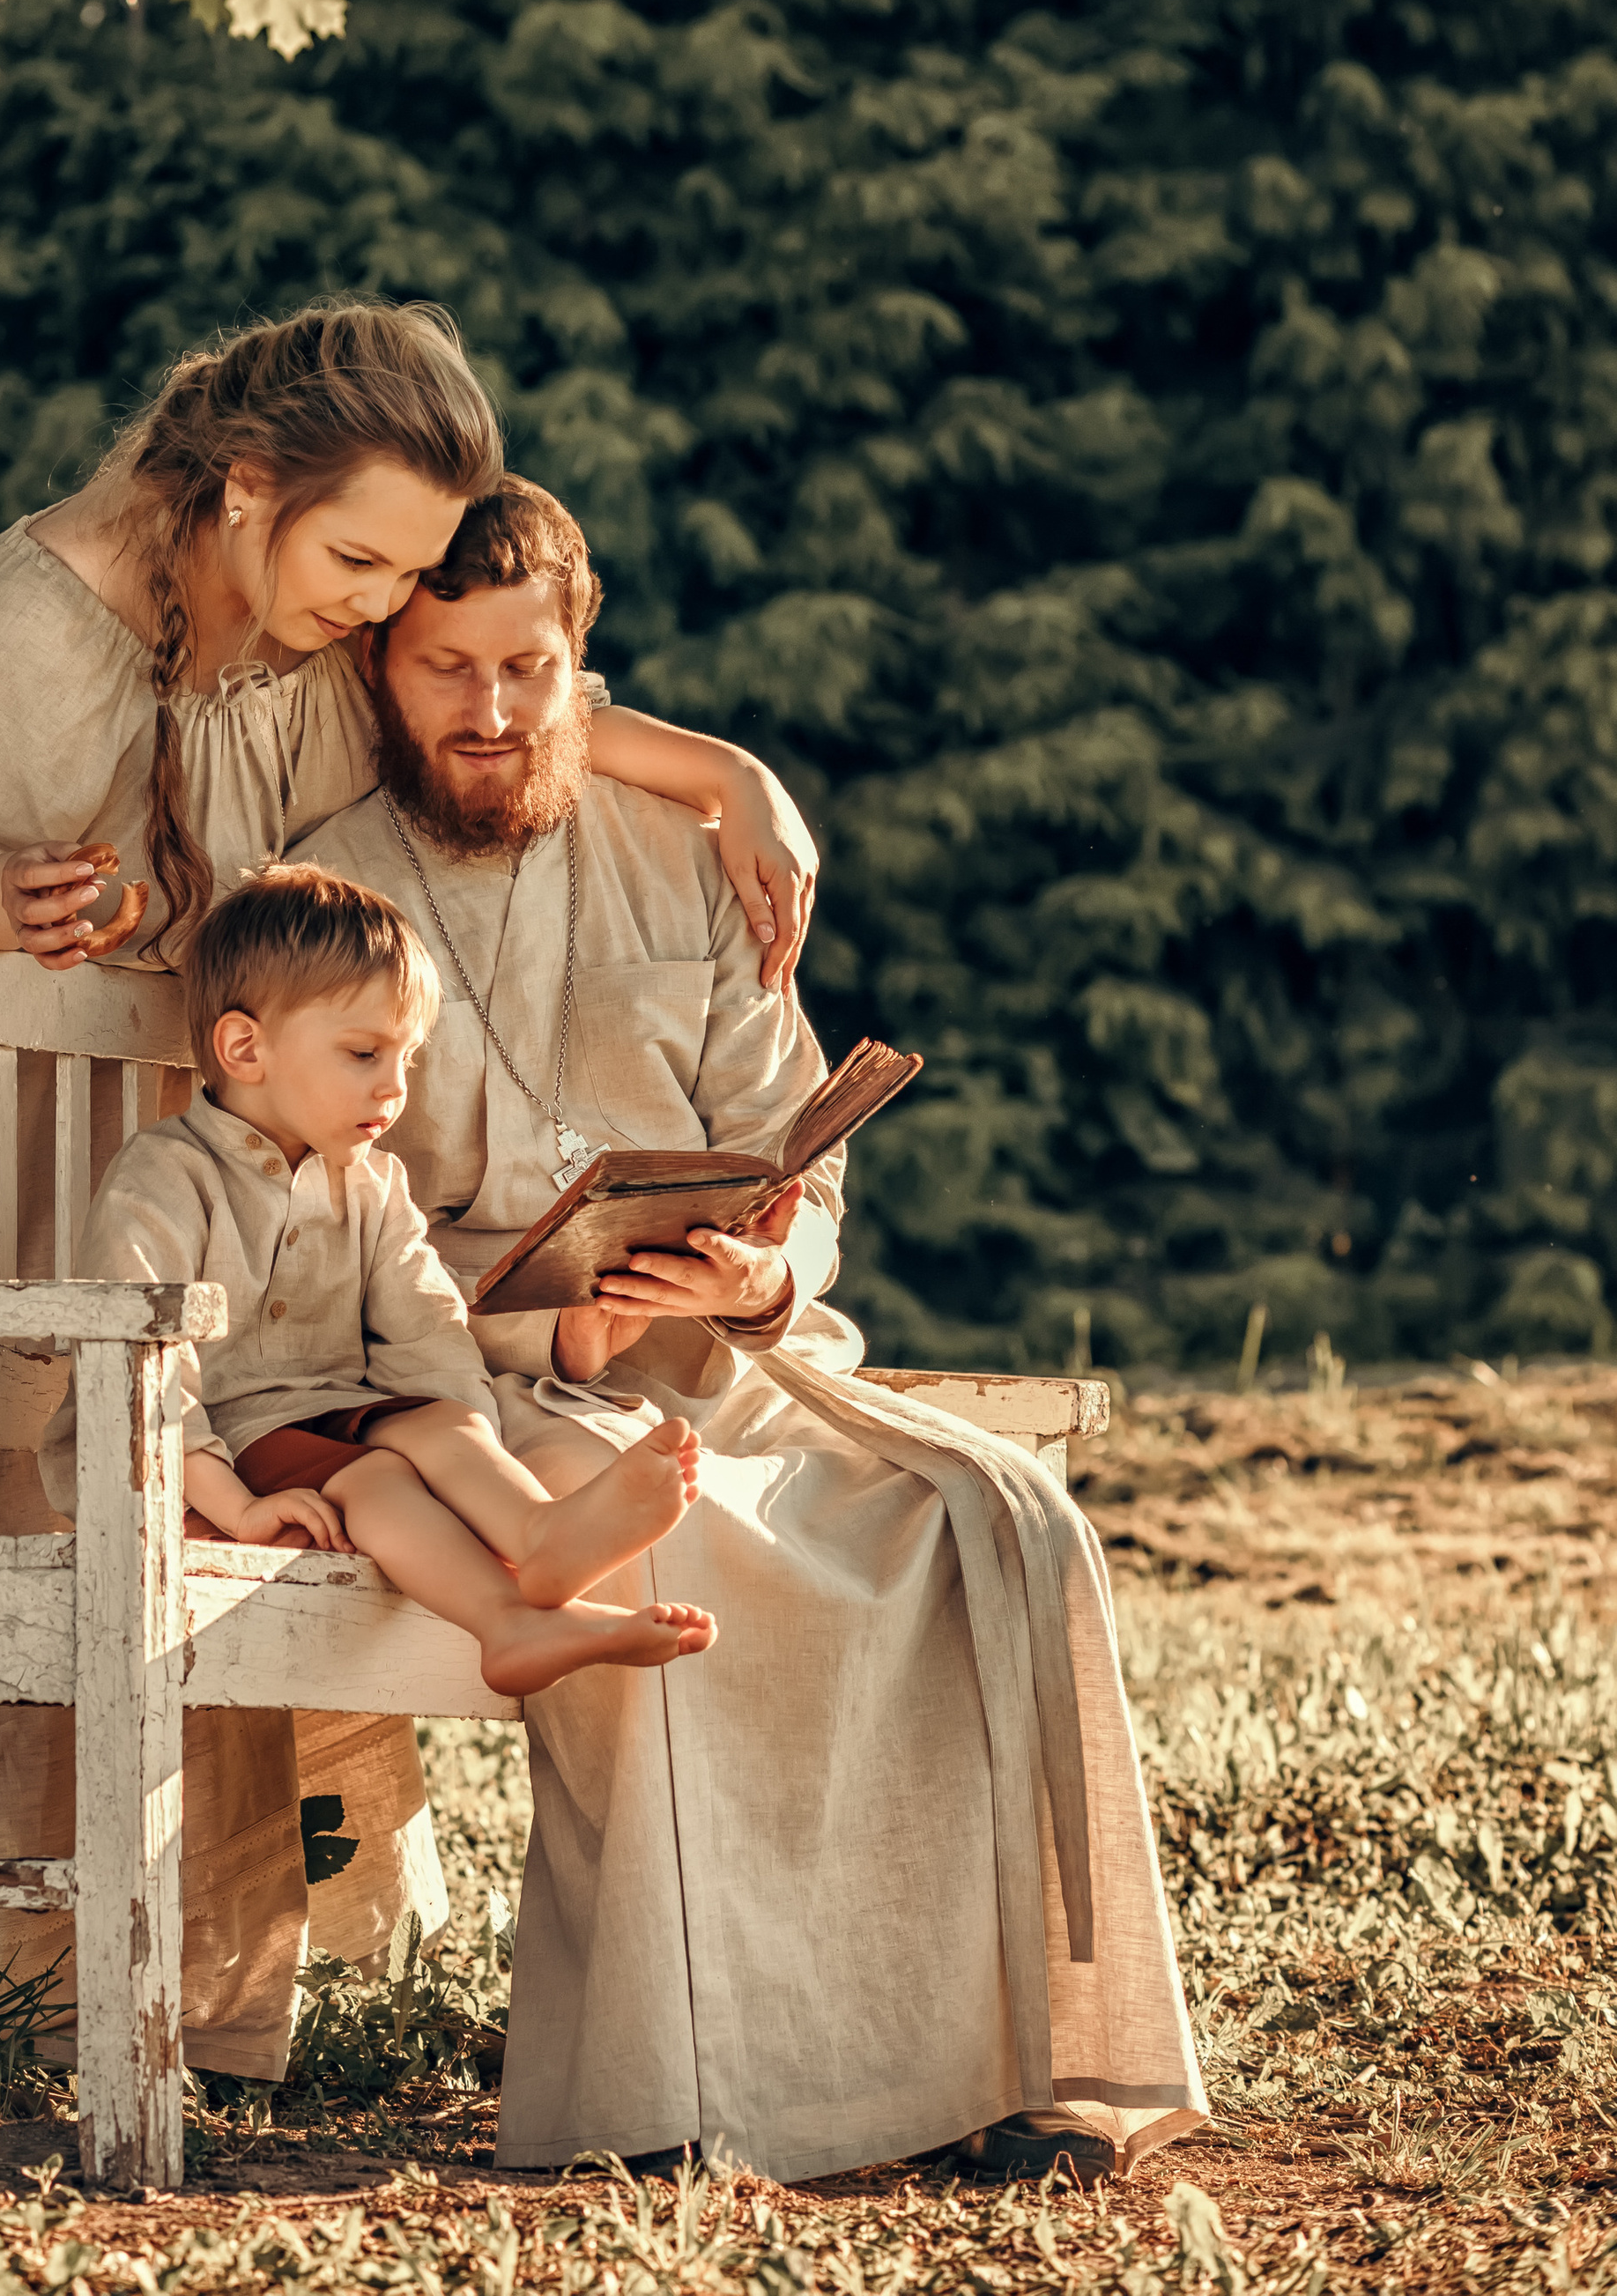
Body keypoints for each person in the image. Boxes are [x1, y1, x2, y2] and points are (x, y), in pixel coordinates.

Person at [0, 300, 818, 2070]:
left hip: (214, 1160)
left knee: (276, 1437)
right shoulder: (24, 631)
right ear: (243, 488)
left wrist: (727, 776)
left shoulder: (297, 634)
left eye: (400, 571)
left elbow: (488, 707)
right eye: (358, 558)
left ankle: (199, 2001)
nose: (380, 604)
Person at [306, 478, 1208, 2186]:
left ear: (584, 667)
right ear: (382, 672)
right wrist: (541, 1338)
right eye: (444, 672)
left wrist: (757, 1277)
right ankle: (684, 2095)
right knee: (668, 1546)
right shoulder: (331, 887)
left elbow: (799, 1158)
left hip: (738, 1362)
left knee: (985, 1522)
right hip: (488, 1389)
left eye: (525, 668)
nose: (488, 716)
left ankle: (989, 2072)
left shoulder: (690, 862)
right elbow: (318, 1226)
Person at [41, 863, 717, 1694]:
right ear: (245, 1047)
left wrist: (463, 1438)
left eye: (406, 1056)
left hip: (329, 1422)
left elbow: (426, 1325)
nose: (395, 1088)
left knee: (436, 1425)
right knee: (378, 1476)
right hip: (205, 1454)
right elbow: (143, 1383)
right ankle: (506, 1622)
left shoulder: (370, 1183)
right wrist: (237, 1508)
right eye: (364, 1053)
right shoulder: (168, 1179)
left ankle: (538, 1540)